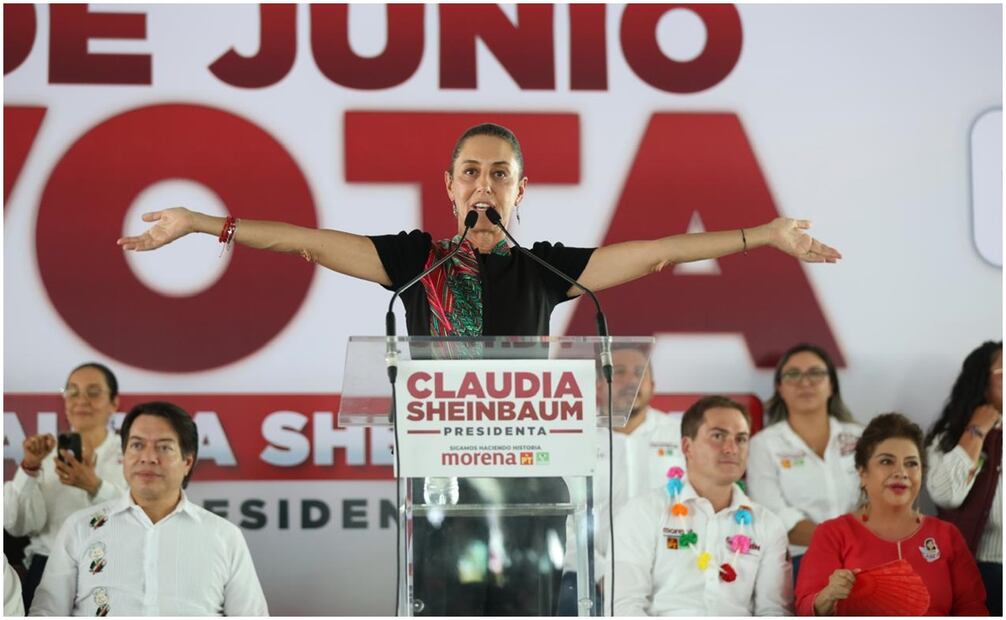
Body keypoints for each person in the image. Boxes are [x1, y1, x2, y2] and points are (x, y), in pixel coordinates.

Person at [117, 122, 840, 614]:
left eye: (501, 173)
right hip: (444, 492)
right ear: (451, 186)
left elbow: (656, 253)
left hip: (532, 492)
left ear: (520, 190)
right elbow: (307, 243)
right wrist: (203, 225)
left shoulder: (544, 268)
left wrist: (766, 236)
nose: (485, 184)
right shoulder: (416, 263)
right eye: (472, 172)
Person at [29, 401, 268, 616]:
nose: (148, 457)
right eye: (137, 445)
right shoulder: (80, 528)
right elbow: (47, 612)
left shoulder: (224, 536)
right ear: (124, 456)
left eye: (164, 447)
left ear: (187, 461)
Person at [611, 395, 793, 616]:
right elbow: (623, 607)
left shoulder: (767, 525)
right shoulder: (643, 512)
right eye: (718, 436)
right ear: (687, 447)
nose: (731, 448)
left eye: (741, 439)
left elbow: (774, 611)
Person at [795, 413, 987, 616]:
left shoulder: (947, 536)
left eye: (911, 464)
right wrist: (828, 595)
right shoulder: (833, 533)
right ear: (862, 473)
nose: (901, 472)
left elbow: (973, 608)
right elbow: (804, 609)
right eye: (887, 462)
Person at [558, 344, 686, 615]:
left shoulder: (682, 436)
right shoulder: (572, 435)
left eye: (640, 373)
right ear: (598, 385)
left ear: (654, 384)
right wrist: (603, 572)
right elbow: (564, 519)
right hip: (589, 576)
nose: (631, 381)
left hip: (668, 574)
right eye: (620, 372)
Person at [3, 363, 127, 610]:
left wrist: (95, 487)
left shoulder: (132, 452)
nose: (81, 400)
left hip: (115, 569)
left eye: (93, 392)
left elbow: (142, 516)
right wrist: (29, 468)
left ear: (114, 402)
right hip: (47, 570)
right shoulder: (44, 454)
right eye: (72, 391)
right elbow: (17, 525)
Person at [746, 343, 861, 579]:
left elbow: (878, 501)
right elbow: (774, 515)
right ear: (779, 387)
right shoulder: (763, 444)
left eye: (816, 373)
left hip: (862, 554)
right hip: (799, 561)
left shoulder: (862, 437)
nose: (805, 382)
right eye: (793, 374)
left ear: (832, 385)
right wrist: (836, 545)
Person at [924, 340, 1002, 616]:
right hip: (981, 569)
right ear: (982, 382)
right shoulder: (950, 435)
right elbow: (947, 494)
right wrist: (977, 430)